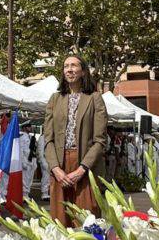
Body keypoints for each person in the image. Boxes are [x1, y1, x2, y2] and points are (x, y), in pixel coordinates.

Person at [43, 54, 108, 226]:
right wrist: (56, 169)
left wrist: (81, 170)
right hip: (59, 166)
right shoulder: (55, 99)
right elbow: (47, 139)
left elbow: (100, 140)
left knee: (86, 221)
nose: (69, 69)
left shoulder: (95, 98)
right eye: (66, 66)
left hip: (85, 167)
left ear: (83, 71)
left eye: (74, 65)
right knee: (60, 221)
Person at [37, 130, 51, 200]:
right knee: (46, 177)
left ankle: (48, 193)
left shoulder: (49, 136)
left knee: (49, 178)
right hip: (45, 160)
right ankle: (44, 193)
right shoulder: (42, 137)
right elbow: (40, 151)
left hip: (50, 161)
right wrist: (42, 161)